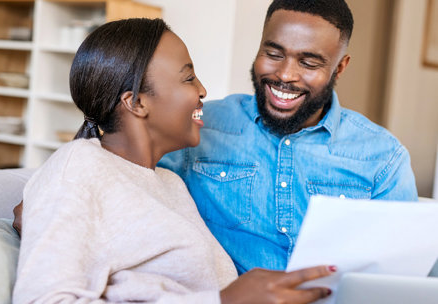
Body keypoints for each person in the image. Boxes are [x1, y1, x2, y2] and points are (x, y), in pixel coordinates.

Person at [13, 18, 335, 304]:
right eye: (188, 78)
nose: (203, 90)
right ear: (137, 102)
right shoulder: (79, 168)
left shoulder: (168, 182)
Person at [158, 0, 418, 275]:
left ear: (340, 68)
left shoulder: (383, 158)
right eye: (273, 54)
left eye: (308, 62)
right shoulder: (199, 126)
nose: (284, 75)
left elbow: (396, 276)